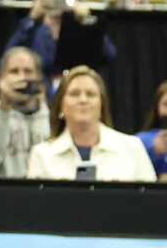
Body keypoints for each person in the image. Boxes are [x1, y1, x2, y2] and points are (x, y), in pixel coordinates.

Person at [28, 66, 156, 181]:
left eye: (90, 94)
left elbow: (149, 203)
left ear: (101, 105)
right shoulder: (42, 155)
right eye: (75, 94)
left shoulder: (132, 148)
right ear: (61, 106)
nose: (83, 100)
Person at [0, 44, 51, 177]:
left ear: (39, 78)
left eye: (28, 71)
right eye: (14, 72)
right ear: (1, 81)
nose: (22, 78)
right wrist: (4, 108)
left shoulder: (54, 122)